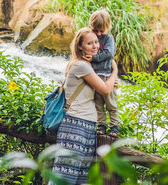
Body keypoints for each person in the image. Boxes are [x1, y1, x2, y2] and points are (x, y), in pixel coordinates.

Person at [50, 27, 118, 185]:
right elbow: (106, 89)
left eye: (96, 42)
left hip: (87, 127)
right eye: (89, 43)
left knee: (80, 179)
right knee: (64, 179)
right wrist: (114, 70)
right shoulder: (82, 66)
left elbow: (104, 85)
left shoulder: (88, 66)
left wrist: (110, 79)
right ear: (80, 46)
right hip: (75, 126)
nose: (95, 46)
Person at [84, 10, 120, 138]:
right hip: (94, 76)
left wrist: (94, 59)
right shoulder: (91, 38)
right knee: (98, 104)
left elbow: (109, 53)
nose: (99, 34)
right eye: (96, 30)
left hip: (106, 75)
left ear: (107, 27)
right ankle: (101, 125)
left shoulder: (108, 38)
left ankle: (114, 126)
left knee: (111, 104)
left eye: (101, 31)